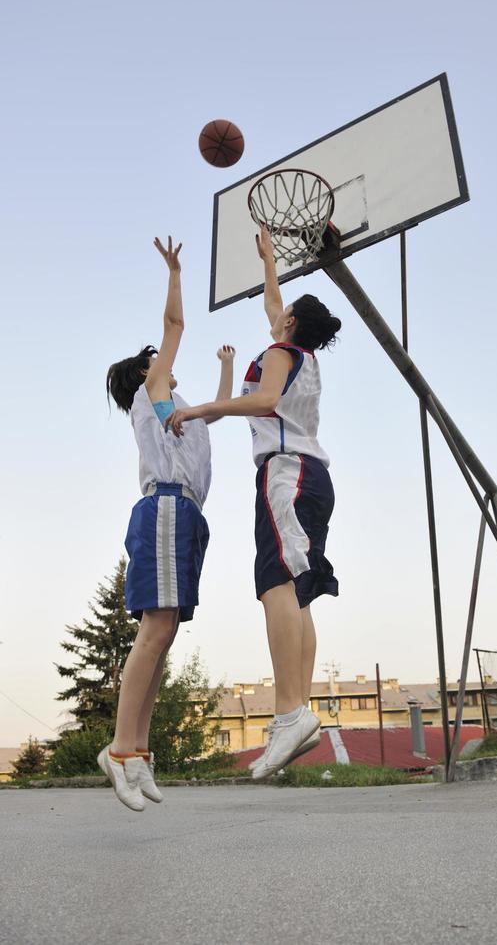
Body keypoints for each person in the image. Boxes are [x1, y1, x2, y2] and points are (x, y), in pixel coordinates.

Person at [166, 226, 341, 779]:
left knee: (274, 587)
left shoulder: (279, 354)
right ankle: (297, 709)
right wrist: (269, 262)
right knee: (297, 592)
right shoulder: (301, 353)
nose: (277, 311)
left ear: (291, 324)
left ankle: (290, 711)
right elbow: (273, 305)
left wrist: (197, 412)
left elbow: (264, 399)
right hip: (310, 477)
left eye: (284, 311)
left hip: (285, 476)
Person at [101, 236, 235, 810]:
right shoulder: (148, 396)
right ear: (146, 373)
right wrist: (176, 272)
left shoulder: (182, 415)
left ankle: (140, 750)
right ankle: (120, 750)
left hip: (189, 517)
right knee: (154, 630)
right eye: (157, 359)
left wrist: (227, 371)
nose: (167, 362)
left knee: (166, 634)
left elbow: (221, 412)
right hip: (163, 508)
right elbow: (175, 324)